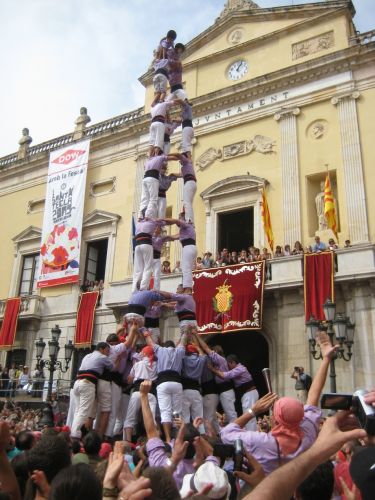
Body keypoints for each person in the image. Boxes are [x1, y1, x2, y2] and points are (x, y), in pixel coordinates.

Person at [221, 332, 338, 475]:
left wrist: (253, 411)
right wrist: (326, 359)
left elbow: (226, 433)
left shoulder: (260, 442)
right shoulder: (308, 429)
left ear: (275, 420)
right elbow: (314, 395)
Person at [144, 328, 188, 443]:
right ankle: (178, 438)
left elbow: (150, 343)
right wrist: (185, 332)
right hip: (176, 382)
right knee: (177, 410)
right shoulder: (178, 351)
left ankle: (168, 439)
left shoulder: (160, 350)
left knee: (165, 411)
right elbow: (183, 341)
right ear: (173, 346)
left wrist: (146, 334)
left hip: (163, 383)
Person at [70, 342, 113, 439]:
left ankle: (75, 433)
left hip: (77, 383)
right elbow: (111, 367)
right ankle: (75, 435)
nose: (108, 353)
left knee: (78, 411)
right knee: (83, 412)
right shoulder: (102, 357)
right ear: (101, 349)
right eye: (107, 351)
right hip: (87, 384)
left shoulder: (87, 356)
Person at [209, 354, 259, 431]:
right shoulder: (238, 368)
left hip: (249, 393)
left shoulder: (240, 369)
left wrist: (213, 369)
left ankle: (251, 435)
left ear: (232, 362)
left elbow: (225, 375)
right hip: (247, 394)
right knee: (248, 414)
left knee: (249, 415)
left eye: (228, 365)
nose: (228, 368)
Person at [194, 335, 237, 424]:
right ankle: (218, 434)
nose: (211, 354)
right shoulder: (217, 364)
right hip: (221, 391)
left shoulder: (220, 360)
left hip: (225, 390)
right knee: (215, 417)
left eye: (213, 352)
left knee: (230, 414)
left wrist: (195, 335)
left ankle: (235, 432)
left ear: (216, 352)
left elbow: (205, 349)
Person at [124, 344, 158, 443]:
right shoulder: (156, 364)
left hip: (137, 390)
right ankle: (152, 441)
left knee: (130, 418)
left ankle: (128, 442)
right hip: (151, 392)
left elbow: (129, 380)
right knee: (151, 418)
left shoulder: (137, 364)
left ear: (144, 353)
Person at [132, 218, 168, 293]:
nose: (156, 229)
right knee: (145, 269)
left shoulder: (161, 238)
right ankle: (141, 288)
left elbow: (170, 237)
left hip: (156, 258)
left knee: (156, 274)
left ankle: (155, 289)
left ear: (160, 230)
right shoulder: (150, 235)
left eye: (158, 229)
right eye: (155, 228)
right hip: (149, 255)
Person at [139, 153, 179, 219]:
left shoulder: (168, 178)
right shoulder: (156, 176)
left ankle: (160, 224)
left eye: (164, 168)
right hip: (156, 193)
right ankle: (146, 217)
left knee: (161, 211)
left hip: (163, 196)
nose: (163, 170)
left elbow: (177, 175)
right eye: (162, 168)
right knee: (153, 207)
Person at [181, 343, 206, 431]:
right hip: (196, 391)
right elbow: (203, 355)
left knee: (185, 418)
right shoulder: (201, 359)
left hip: (185, 390)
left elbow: (178, 351)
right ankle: (202, 436)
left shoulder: (184, 359)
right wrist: (198, 348)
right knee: (198, 417)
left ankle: (187, 436)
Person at [179, 153, 197, 223]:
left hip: (189, 182)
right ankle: (188, 218)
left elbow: (188, 154)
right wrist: (173, 175)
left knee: (187, 202)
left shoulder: (187, 162)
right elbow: (180, 175)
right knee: (187, 202)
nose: (179, 161)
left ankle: (189, 219)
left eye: (180, 159)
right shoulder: (184, 167)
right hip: (191, 183)